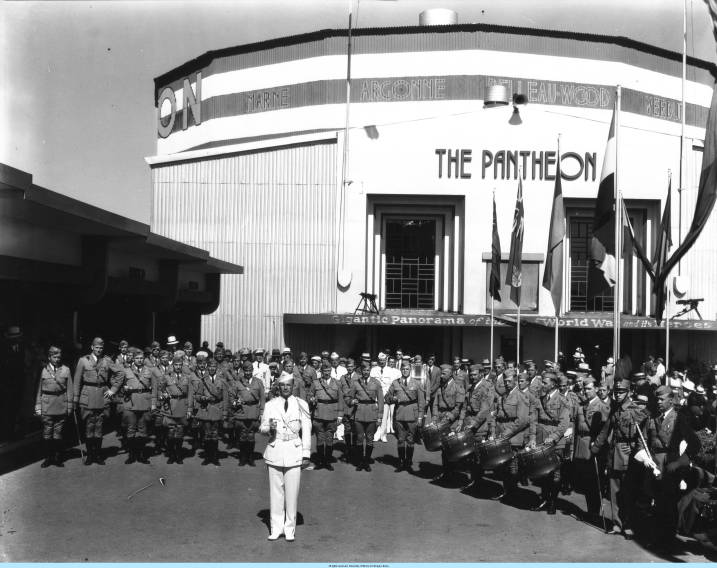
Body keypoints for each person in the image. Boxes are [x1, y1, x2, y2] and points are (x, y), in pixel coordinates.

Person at [591, 377, 650, 538]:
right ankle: (617, 523)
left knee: (628, 492)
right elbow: (606, 428)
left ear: (629, 392)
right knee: (613, 490)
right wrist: (596, 446)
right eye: (616, 391)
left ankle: (628, 524)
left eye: (621, 391)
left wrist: (638, 453)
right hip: (614, 453)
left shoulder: (636, 410)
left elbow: (642, 436)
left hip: (628, 455)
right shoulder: (615, 408)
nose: (618, 394)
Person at [646, 385, 701, 549]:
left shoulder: (679, 418)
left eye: (662, 399)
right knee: (656, 503)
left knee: (668, 506)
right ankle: (658, 539)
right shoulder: (654, 417)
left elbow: (695, 444)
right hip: (654, 464)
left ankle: (668, 542)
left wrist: (678, 463)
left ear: (671, 400)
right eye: (657, 399)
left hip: (669, 467)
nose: (658, 402)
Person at [259, 373, 312, 542]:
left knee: (292, 493)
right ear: (278, 387)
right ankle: (276, 528)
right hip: (275, 449)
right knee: (276, 493)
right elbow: (262, 428)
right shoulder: (270, 405)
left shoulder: (302, 404)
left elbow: (307, 430)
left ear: (293, 386)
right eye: (283, 385)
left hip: (294, 451)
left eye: (289, 385)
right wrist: (269, 428)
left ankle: (290, 529)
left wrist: (306, 453)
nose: (286, 388)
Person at [528, 371, 571, 514]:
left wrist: (553, 437)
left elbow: (564, 424)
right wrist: (533, 438)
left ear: (553, 384)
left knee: (555, 473)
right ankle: (545, 499)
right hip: (541, 439)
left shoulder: (563, 401)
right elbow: (534, 419)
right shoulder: (539, 398)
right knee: (543, 472)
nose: (542, 385)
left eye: (545, 383)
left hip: (555, 441)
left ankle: (553, 501)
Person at [107, 347, 155, 465]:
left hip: (144, 402)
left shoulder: (149, 371)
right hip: (130, 403)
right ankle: (132, 455)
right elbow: (115, 382)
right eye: (137, 358)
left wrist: (153, 403)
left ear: (144, 359)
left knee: (143, 430)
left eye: (141, 358)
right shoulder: (125, 370)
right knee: (130, 430)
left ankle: (142, 455)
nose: (139, 360)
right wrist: (124, 389)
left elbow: (155, 388)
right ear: (133, 359)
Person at [489, 368, 529, 501]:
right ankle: (508, 492)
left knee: (513, 467)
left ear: (516, 381)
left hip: (513, 437)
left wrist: (506, 434)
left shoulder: (521, 397)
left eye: (509, 381)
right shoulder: (501, 397)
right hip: (502, 436)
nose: (506, 384)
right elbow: (495, 416)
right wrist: (494, 432)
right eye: (505, 381)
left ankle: (513, 493)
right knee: (504, 467)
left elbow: (522, 421)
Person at [73, 337, 114, 465]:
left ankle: (98, 455)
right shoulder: (83, 361)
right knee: (89, 425)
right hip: (88, 395)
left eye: (101, 348)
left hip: (102, 395)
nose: (99, 350)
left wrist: (113, 389)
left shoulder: (107, 361)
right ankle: (90, 455)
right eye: (96, 347)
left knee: (99, 426)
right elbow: (77, 381)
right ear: (92, 347)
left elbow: (119, 374)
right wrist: (75, 399)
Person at [151, 351, 193, 464]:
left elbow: (190, 394)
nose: (178, 367)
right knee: (170, 433)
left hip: (182, 406)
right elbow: (160, 389)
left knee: (179, 432)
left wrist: (189, 409)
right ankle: (171, 454)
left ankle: (178, 455)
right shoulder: (166, 377)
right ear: (172, 365)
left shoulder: (187, 377)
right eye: (176, 365)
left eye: (180, 365)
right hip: (170, 406)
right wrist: (162, 395)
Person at [35, 346, 73, 468]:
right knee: (47, 433)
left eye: (58, 357)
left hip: (61, 404)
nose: (57, 359)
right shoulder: (43, 370)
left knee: (58, 433)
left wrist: (70, 406)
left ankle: (57, 457)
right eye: (54, 357)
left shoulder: (66, 370)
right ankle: (48, 457)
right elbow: (38, 390)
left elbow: (70, 390)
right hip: (47, 405)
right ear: (49, 357)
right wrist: (38, 406)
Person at [385, 360, 425, 473]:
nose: (405, 371)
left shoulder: (416, 383)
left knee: (411, 440)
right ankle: (401, 462)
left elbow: (421, 402)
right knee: (401, 439)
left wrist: (420, 417)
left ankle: (408, 462)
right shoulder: (395, 383)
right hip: (400, 413)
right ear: (400, 370)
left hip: (412, 413)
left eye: (407, 369)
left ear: (410, 370)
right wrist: (392, 399)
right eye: (403, 369)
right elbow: (387, 397)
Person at [227, 360, 266, 466]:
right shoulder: (237, 382)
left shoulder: (258, 382)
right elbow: (231, 396)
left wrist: (262, 412)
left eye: (250, 370)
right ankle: (243, 457)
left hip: (254, 411)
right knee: (243, 436)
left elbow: (262, 398)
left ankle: (250, 457)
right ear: (243, 371)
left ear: (252, 370)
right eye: (246, 370)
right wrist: (235, 402)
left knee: (251, 436)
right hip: (241, 412)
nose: (248, 372)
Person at [192, 357, 229, 466]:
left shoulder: (222, 381)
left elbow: (225, 398)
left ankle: (215, 457)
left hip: (217, 409)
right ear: (207, 368)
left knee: (215, 434)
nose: (212, 368)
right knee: (207, 435)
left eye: (214, 367)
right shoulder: (203, 380)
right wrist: (203, 398)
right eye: (210, 367)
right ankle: (207, 457)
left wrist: (225, 412)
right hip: (206, 409)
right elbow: (197, 395)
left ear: (217, 368)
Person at [347, 362, 383, 471]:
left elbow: (381, 400)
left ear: (370, 370)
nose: (366, 372)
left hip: (372, 412)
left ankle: (366, 461)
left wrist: (380, 416)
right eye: (364, 370)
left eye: (368, 370)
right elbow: (348, 398)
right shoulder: (355, 383)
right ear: (361, 371)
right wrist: (352, 401)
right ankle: (359, 461)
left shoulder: (376, 383)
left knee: (370, 438)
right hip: (359, 412)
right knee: (359, 438)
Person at [308, 362, 343, 470]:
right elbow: (310, 394)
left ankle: (327, 461)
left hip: (332, 413)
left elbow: (341, 400)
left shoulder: (337, 383)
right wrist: (311, 399)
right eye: (324, 371)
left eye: (328, 371)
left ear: (331, 371)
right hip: (319, 413)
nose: (326, 373)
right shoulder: (315, 383)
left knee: (329, 439)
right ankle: (320, 461)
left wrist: (340, 415)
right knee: (319, 438)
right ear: (321, 372)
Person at [371, 352, 398, 442]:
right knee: (376, 416)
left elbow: (392, 384)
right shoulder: (374, 370)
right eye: (380, 360)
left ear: (386, 360)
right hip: (375, 397)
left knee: (385, 416)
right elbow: (371, 383)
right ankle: (376, 433)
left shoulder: (390, 371)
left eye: (383, 360)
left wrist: (389, 394)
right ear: (378, 361)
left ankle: (383, 435)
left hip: (386, 396)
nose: (382, 362)